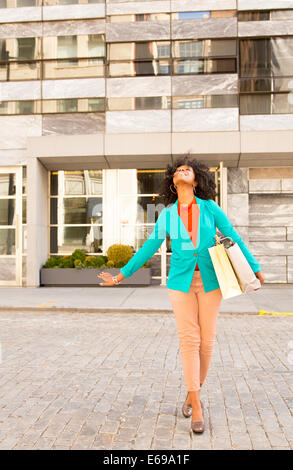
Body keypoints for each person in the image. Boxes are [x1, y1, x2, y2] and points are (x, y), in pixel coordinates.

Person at [97, 155, 265, 434]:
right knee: (190, 339)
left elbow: (232, 236)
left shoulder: (210, 208)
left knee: (207, 342)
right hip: (180, 282)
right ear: (173, 183)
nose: (182, 170)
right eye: (177, 170)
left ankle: (191, 393)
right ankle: (197, 405)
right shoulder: (166, 214)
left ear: (196, 179)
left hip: (211, 280)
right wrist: (121, 275)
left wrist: (255, 267)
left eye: (188, 169)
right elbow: (149, 247)